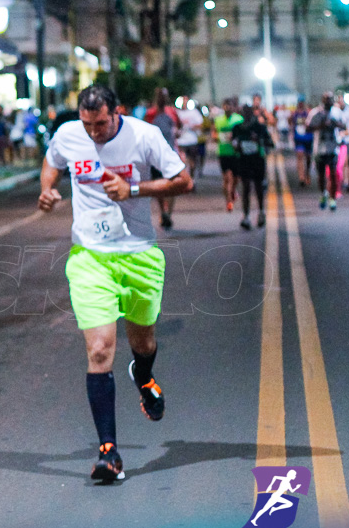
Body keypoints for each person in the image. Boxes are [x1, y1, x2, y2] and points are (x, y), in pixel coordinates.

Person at [38, 85, 192, 481]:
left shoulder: (144, 135)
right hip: (90, 258)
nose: (94, 132)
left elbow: (182, 180)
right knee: (101, 349)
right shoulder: (70, 134)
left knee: (144, 343)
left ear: (116, 112)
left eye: (101, 124)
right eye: (88, 124)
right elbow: (51, 161)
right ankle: (109, 452)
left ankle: (142, 375)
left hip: (139, 254)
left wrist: (134, 189)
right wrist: (46, 188)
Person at [232, 106, 273, 230]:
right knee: (245, 188)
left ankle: (261, 212)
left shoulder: (259, 127)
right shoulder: (237, 128)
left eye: (249, 113)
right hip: (244, 160)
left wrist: (259, 140)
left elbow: (270, 143)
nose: (247, 115)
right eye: (244, 113)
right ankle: (246, 216)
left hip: (257, 159)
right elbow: (233, 142)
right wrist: (237, 145)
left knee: (258, 187)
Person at [144, 88, 180, 229]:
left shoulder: (172, 112)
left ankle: (168, 214)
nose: (162, 98)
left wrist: (176, 132)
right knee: (159, 185)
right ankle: (163, 211)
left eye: (164, 96)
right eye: (160, 96)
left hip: (171, 152)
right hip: (155, 155)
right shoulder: (150, 113)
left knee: (173, 184)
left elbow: (179, 126)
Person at [307, 93, 344, 211]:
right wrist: (321, 126)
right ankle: (323, 193)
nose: (328, 102)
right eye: (326, 100)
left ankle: (333, 198)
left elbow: (344, 125)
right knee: (321, 175)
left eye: (330, 100)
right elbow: (308, 128)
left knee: (333, 174)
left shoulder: (337, 112)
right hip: (320, 149)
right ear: (322, 100)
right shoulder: (316, 113)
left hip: (333, 147)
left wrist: (335, 124)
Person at [214, 99, 243, 211]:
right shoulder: (218, 120)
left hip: (235, 153)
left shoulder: (238, 119)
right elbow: (213, 132)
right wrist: (217, 137)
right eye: (225, 106)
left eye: (229, 106)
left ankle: (232, 191)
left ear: (233, 107)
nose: (227, 108)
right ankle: (228, 201)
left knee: (236, 178)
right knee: (226, 177)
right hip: (223, 152)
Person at [292, 99, 313, 187]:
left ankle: (307, 173)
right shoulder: (294, 114)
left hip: (308, 138)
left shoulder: (308, 113)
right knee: (300, 156)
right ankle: (301, 177)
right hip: (298, 139)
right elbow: (291, 123)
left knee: (308, 158)